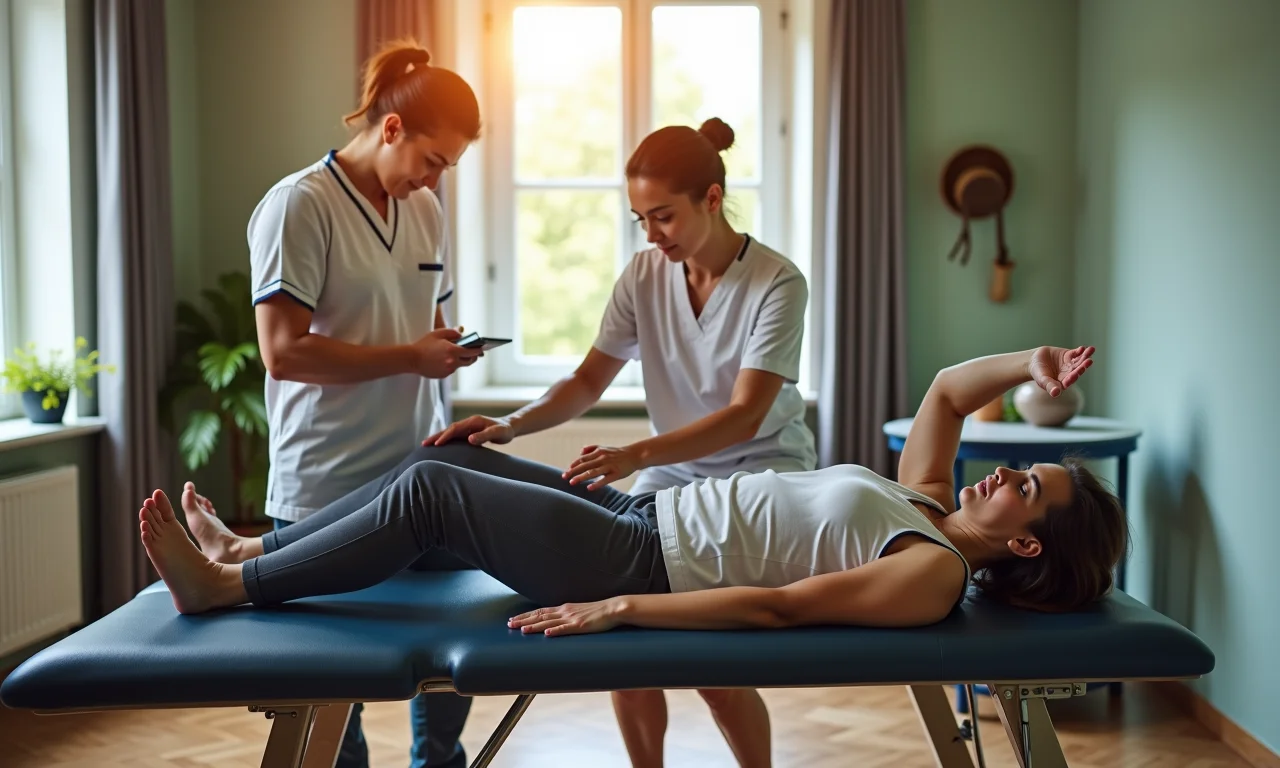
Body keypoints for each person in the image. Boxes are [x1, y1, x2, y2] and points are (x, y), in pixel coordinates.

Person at [141, 345, 1128, 766]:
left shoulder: (930, 570)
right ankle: (259, 545)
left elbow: (776, 611)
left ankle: (229, 586)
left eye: (1023, 485)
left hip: (641, 563)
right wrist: (1029, 361)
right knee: (443, 460)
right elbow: (953, 392)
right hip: (639, 515)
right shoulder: (920, 500)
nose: (1001, 473)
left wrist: (622, 614)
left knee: (432, 494)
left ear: (1025, 539)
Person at [424, 117, 815, 766]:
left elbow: (746, 415)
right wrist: (511, 426)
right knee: (624, 650)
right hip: (674, 472)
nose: (652, 234)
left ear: (712, 200)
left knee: (714, 670)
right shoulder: (642, 277)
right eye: (641, 220)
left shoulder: (777, 283)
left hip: (759, 474)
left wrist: (634, 456)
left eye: (663, 216)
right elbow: (587, 380)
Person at [245, 38, 481, 768]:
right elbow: (283, 351)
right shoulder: (298, 207)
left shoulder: (426, 213)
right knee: (331, 686)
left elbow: (421, 327)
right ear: (390, 129)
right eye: (433, 160)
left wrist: (446, 347)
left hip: (418, 470)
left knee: (452, 651)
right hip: (325, 480)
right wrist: (411, 356)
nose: (436, 178)